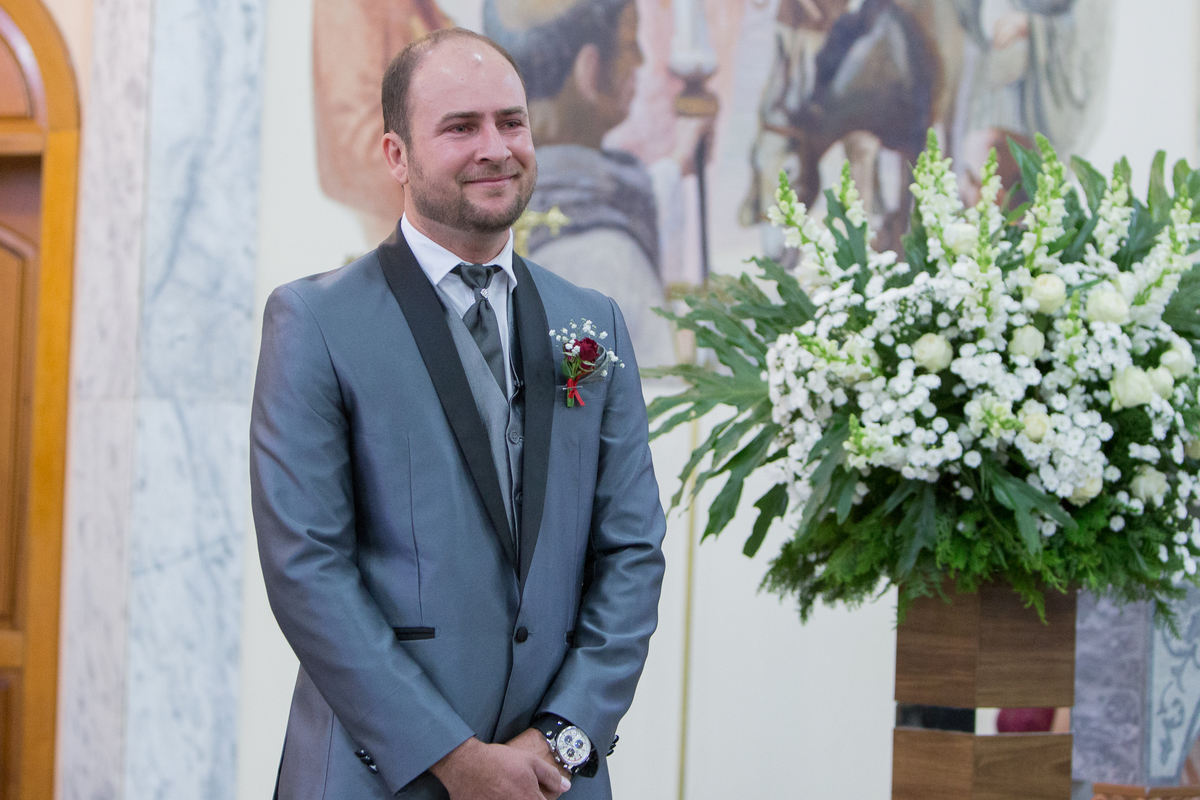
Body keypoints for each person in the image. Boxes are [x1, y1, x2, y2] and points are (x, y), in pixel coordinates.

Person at [251, 27, 667, 800]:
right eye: (460, 127)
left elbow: (632, 552)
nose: (496, 148)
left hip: (551, 779)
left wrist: (562, 737)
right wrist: (453, 756)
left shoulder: (592, 323)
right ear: (397, 155)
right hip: (379, 775)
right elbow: (306, 568)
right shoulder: (316, 323)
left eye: (511, 122)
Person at [484, 0, 700, 369]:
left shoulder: (484, 209)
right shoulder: (607, 260)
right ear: (590, 70)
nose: (639, 61)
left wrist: (681, 155)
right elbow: (651, 392)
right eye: (630, 44)